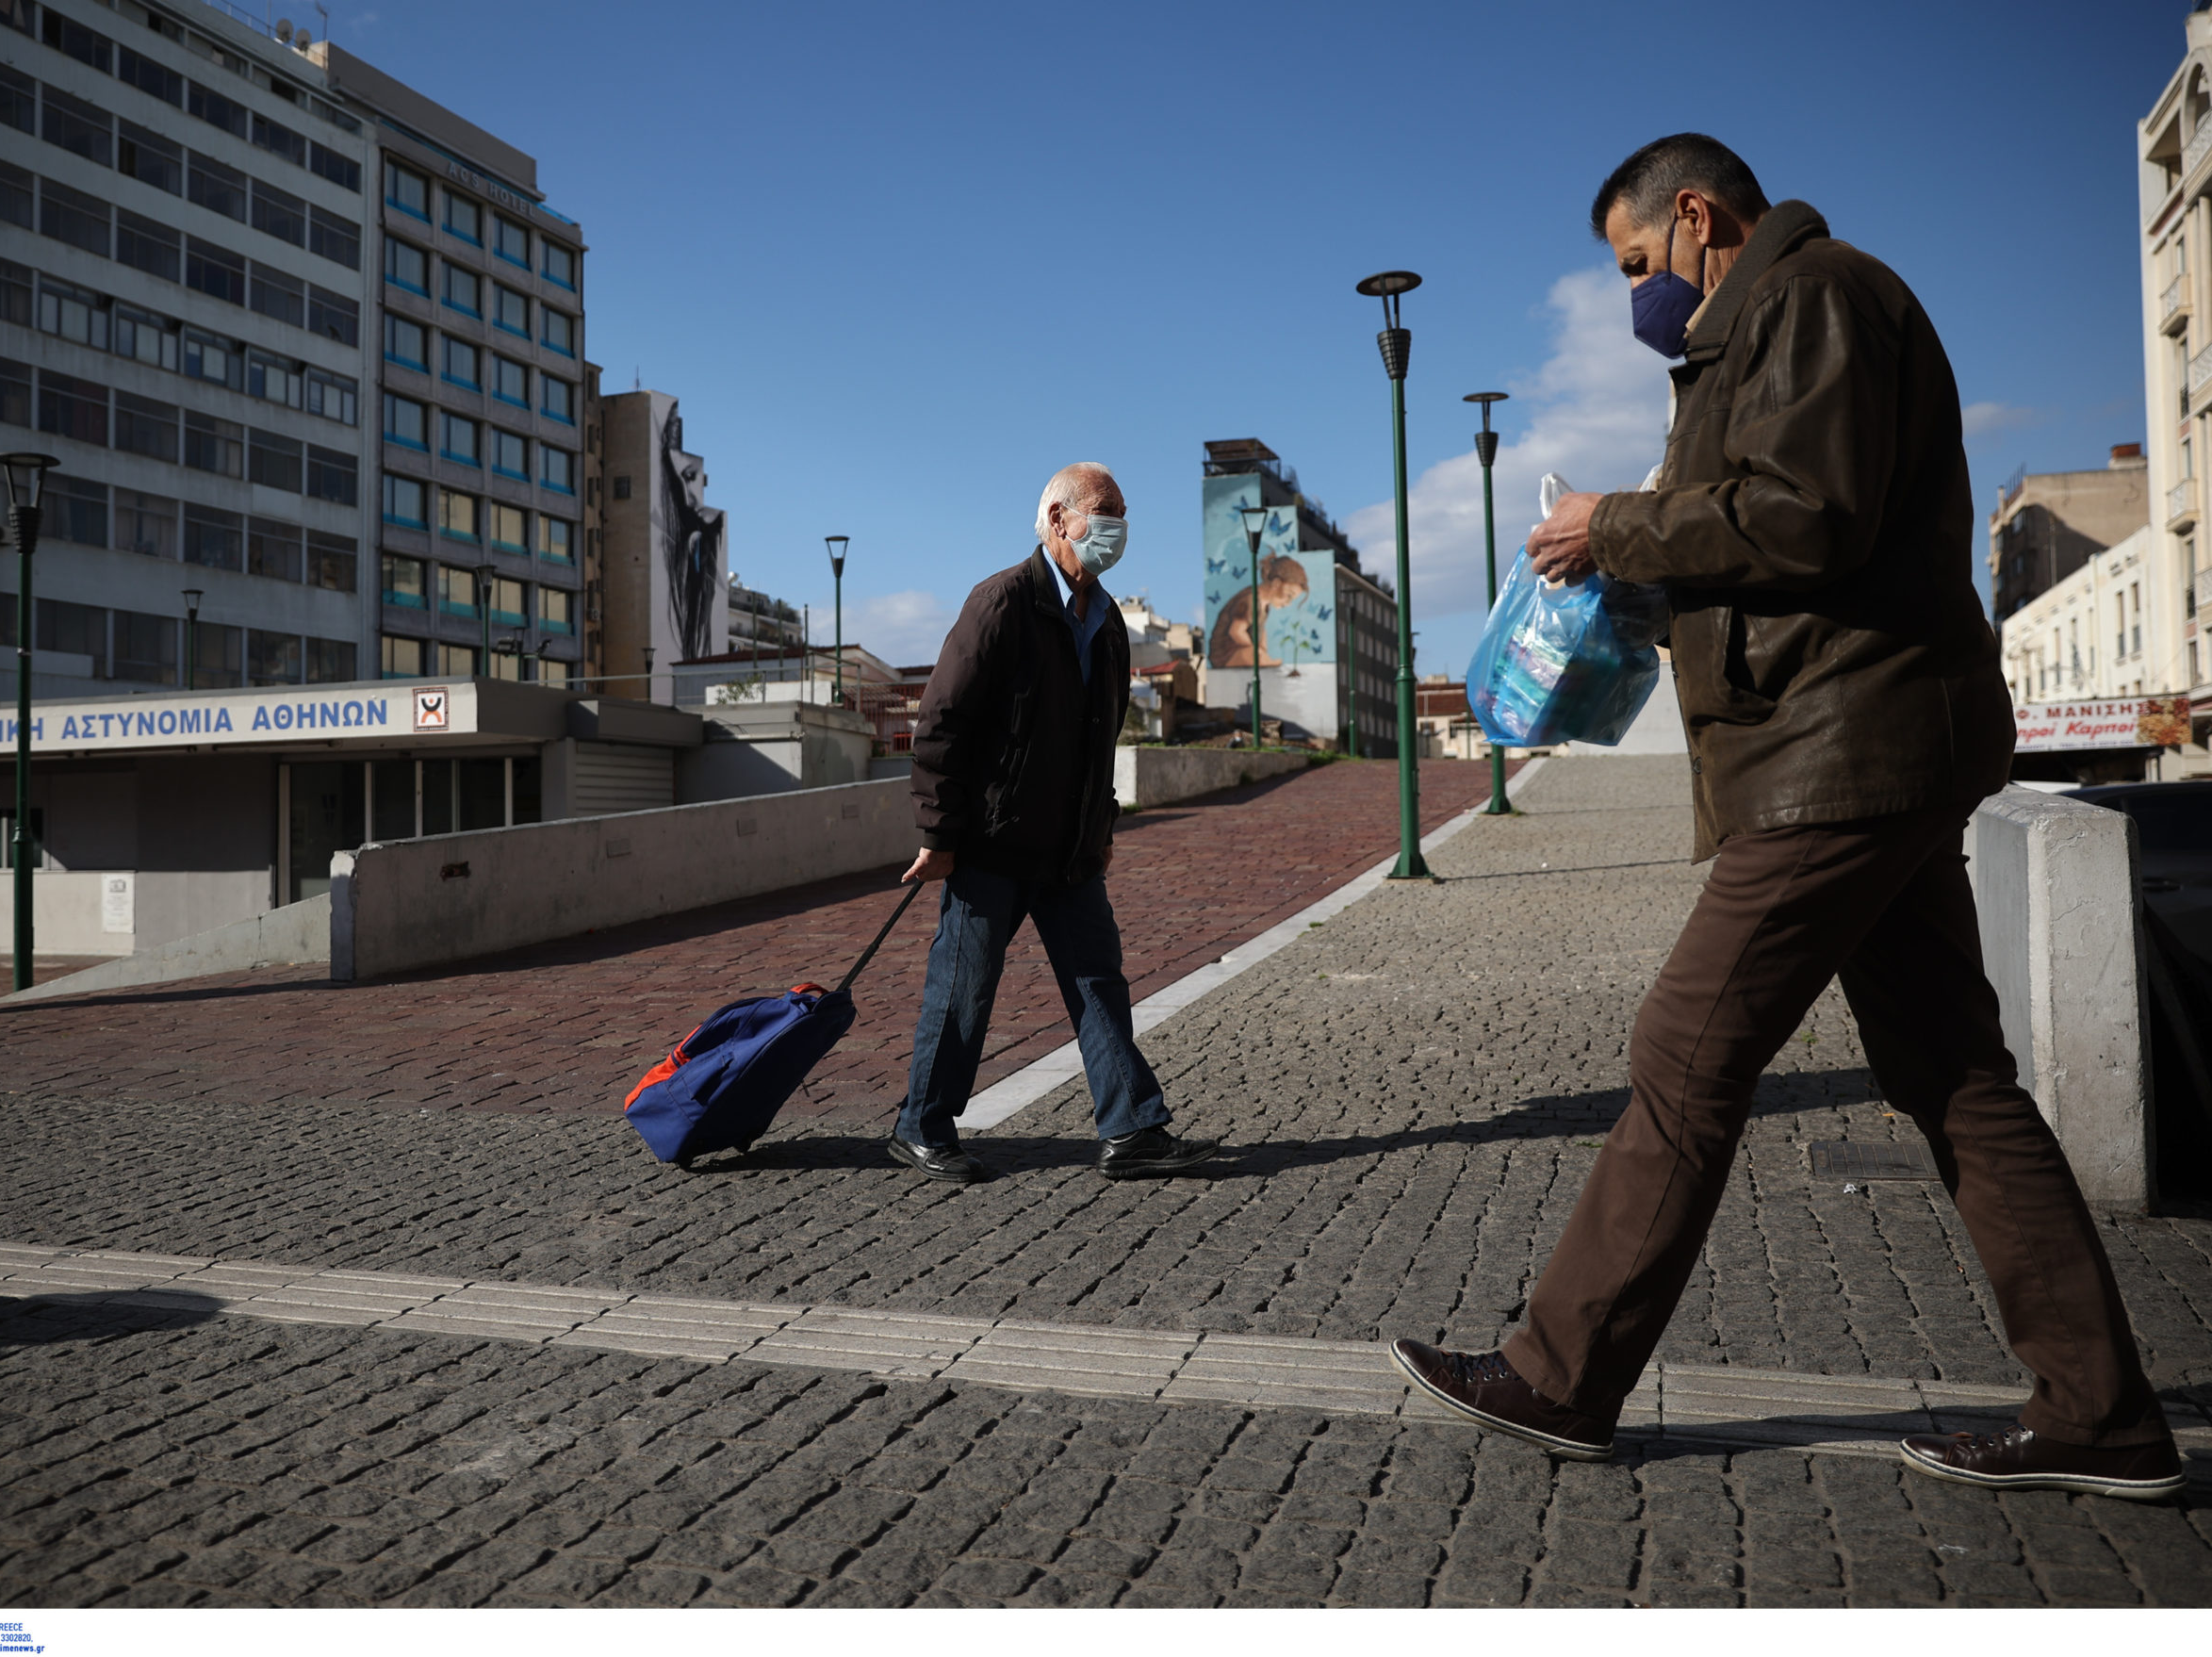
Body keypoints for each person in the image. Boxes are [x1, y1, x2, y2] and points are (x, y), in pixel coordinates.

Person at [1389, 135, 2184, 1501]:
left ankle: (1562, 1375)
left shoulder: (1812, 297)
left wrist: (1612, 528)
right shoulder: (1776, 321)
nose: (1637, 296)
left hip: (1843, 746)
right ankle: (2100, 1410)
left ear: (1696, 216)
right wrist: (1637, 576)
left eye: (1638, 262)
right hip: (1858, 741)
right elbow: (1773, 524)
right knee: (1953, 1073)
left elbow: (1803, 517)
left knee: (1685, 1048)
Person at [890, 463, 1219, 1184]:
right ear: (1057, 518)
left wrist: (1101, 830)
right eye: (1105, 510)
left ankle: (1131, 1128)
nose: (1117, 526)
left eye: (1124, 512)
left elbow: (1100, 740)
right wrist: (939, 835)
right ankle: (921, 1125)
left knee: (1099, 980)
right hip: (993, 842)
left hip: (1069, 848)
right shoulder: (1002, 601)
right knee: (965, 986)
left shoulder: (1106, 624)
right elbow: (941, 724)